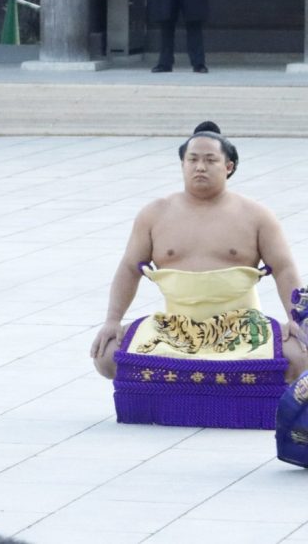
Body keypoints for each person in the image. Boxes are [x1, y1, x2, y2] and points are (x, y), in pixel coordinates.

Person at [90, 122, 308, 428]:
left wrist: (298, 320)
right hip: (174, 328)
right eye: (192, 159)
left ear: (229, 167)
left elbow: (284, 268)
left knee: (298, 355)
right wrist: (112, 320)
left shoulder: (256, 215)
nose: (200, 167)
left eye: (210, 160)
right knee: (107, 355)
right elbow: (129, 267)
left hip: (242, 328)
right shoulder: (155, 214)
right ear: (182, 164)